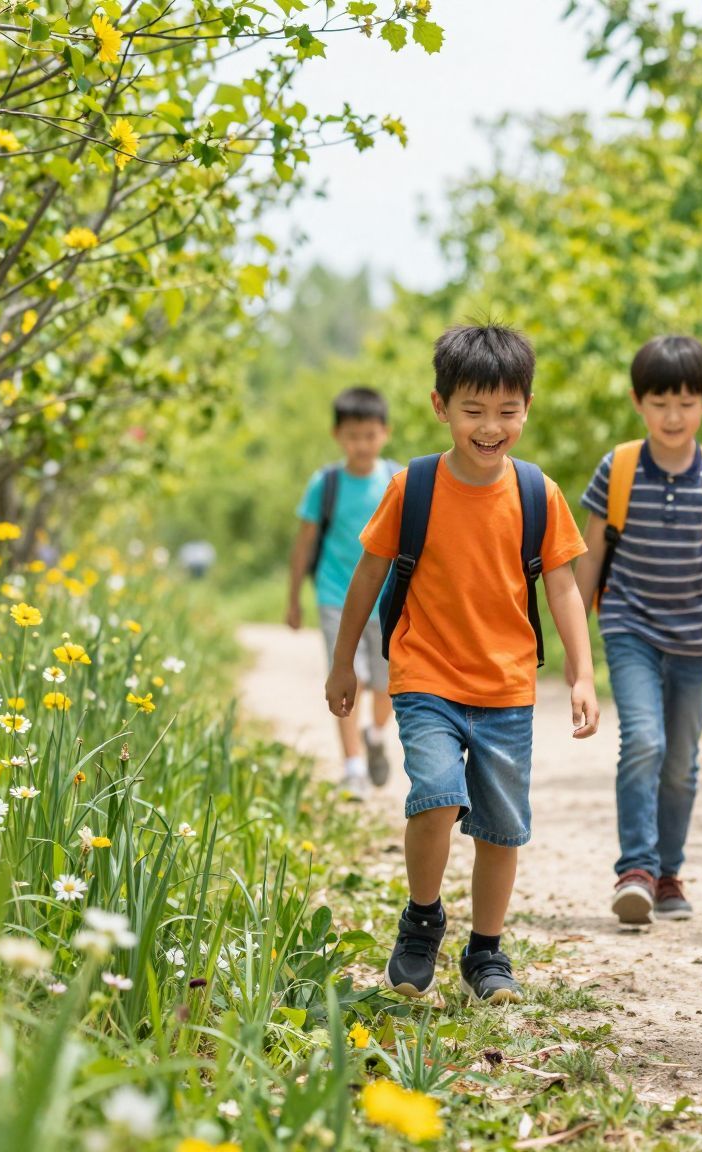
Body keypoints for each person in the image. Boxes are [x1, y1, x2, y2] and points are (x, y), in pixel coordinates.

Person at [326, 323, 601, 1005]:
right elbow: (367, 576)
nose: (490, 427)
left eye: (508, 411)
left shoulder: (539, 493)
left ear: (527, 410)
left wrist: (582, 674)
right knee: (437, 796)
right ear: (439, 406)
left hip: (507, 685)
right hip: (423, 676)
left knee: (502, 828)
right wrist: (342, 663)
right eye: (473, 411)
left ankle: (485, 950)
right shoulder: (413, 486)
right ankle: (422, 920)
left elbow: (562, 585)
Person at [574, 335, 702, 925]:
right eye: (659, 402)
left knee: (681, 761)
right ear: (638, 401)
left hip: (697, 639)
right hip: (628, 627)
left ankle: (667, 871)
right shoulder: (620, 467)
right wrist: (576, 648)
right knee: (646, 743)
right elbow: (590, 559)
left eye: (685, 402)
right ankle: (635, 867)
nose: (672, 416)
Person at [288, 386, 401, 795]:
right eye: (354, 436)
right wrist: (293, 600)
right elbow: (303, 543)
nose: (362, 444)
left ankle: (375, 735)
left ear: (385, 433)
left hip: (388, 598)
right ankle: (353, 766)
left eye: (370, 435)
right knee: (346, 677)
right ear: (338, 435)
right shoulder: (326, 483)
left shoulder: (396, 479)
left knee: (387, 683)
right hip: (335, 595)